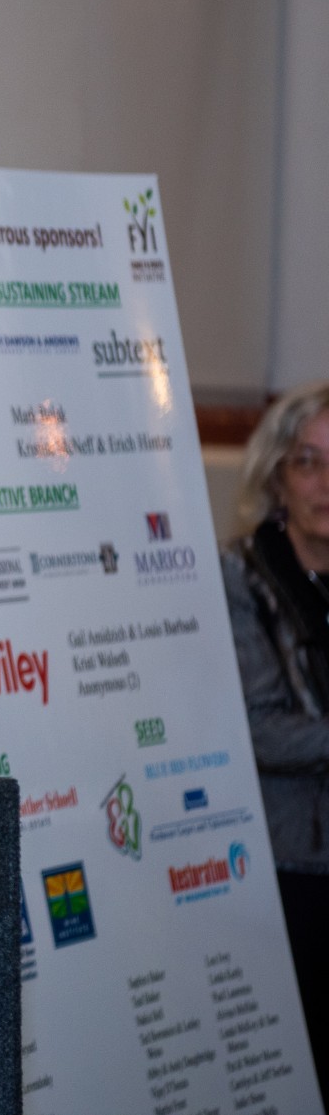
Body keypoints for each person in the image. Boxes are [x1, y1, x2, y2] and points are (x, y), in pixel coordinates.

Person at [223, 380, 329, 1083]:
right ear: (277, 477)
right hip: (289, 870)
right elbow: (260, 732)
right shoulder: (241, 576)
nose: (326, 484)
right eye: (308, 462)